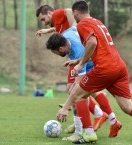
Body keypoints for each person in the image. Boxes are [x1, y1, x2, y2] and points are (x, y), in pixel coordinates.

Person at [36, 4, 119, 142]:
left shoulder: (76, 51)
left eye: (54, 52)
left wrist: (65, 108)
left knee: (78, 92)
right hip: (88, 60)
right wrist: (48, 30)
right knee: (79, 91)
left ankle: (86, 128)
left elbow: (78, 85)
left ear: (61, 49)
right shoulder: (67, 33)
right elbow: (74, 24)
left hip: (92, 62)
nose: (55, 55)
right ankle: (106, 119)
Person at [56, 0, 132, 144]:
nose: (75, 18)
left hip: (105, 68)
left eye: (74, 15)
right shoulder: (98, 22)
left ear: (76, 13)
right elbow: (98, 49)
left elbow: (92, 43)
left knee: (78, 94)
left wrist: (81, 64)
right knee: (127, 107)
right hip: (119, 66)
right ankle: (109, 121)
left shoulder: (83, 24)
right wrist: (78, 61)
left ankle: (89, 134)